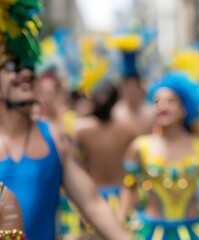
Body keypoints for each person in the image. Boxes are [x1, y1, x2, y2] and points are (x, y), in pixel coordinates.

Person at [0, 2, 130, 239]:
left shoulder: (56, 139)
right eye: (12, 66)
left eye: (29, 66)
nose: (26, 73)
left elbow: (93, 205)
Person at [119, 72, 199, 239]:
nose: (162, 106)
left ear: (184, 107)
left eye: (170, 101)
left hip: (196, 231)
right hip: (150, 232)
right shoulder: (139, 147)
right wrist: (121, 220)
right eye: (156, 101)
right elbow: (128, 188)